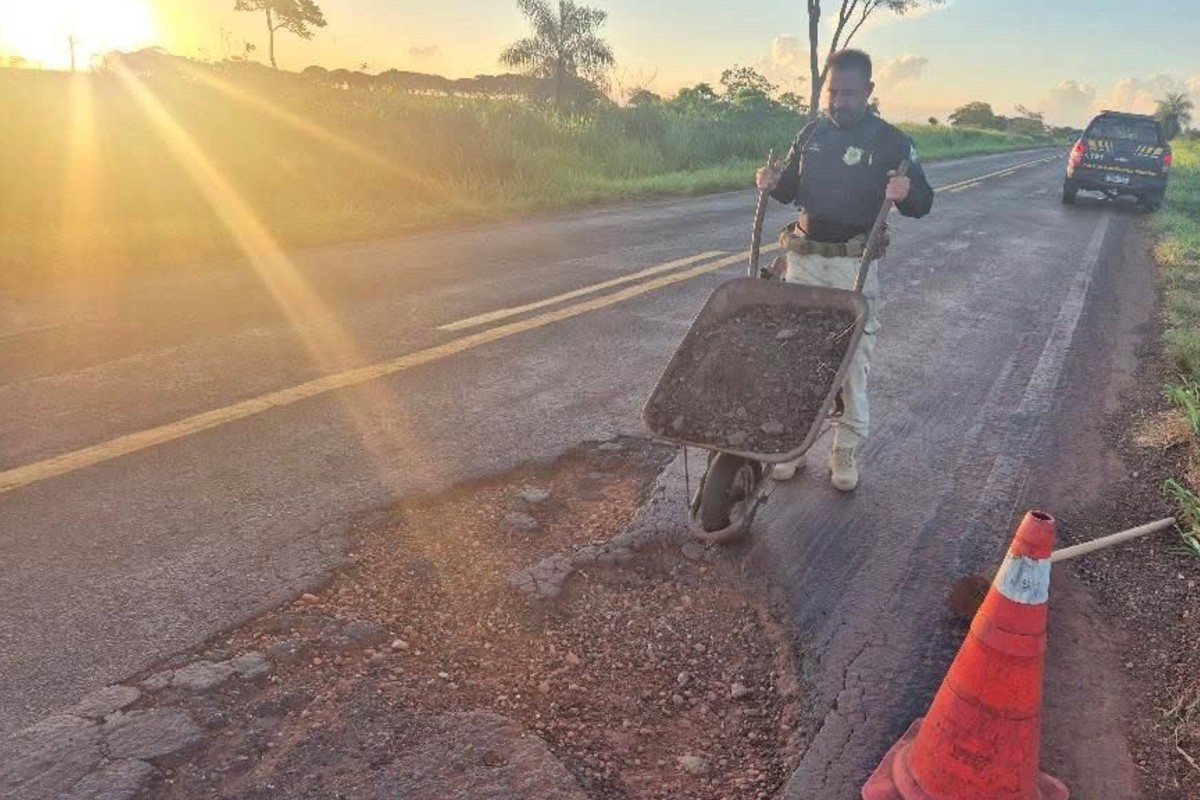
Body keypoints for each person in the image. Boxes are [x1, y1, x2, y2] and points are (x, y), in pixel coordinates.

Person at [756, 48, 934, 492]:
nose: (839, 101)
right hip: (803, 263)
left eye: (850, 94)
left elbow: (923, 203)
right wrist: (774, 183)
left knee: (852, 364)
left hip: (853, 268)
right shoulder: (811, 133)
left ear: (869, 91)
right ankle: (792, 446)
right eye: (833, 92)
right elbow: (792, 189)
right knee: (796, 356)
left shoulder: (892, 142)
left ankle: (844, 450)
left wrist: (906, 191)